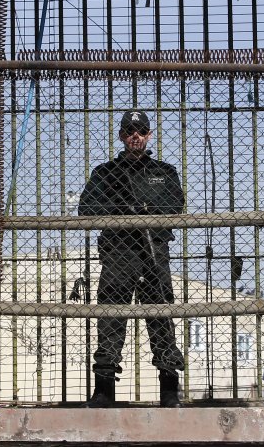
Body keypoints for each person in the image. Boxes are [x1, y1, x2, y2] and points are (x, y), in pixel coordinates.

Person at [79, 110, 185, 408]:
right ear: (121, 135)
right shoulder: (105, 172)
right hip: (118, 253)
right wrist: (124, 213)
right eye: (129, 131)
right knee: (111, 318)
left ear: (149, 134)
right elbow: (87, 209)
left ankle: (169, 390)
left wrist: (146, 212)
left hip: (154, 254)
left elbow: (174, 206)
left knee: (160, 317)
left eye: (140, 131)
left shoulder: (164, 172)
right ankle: (104, 390)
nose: (135, 136)